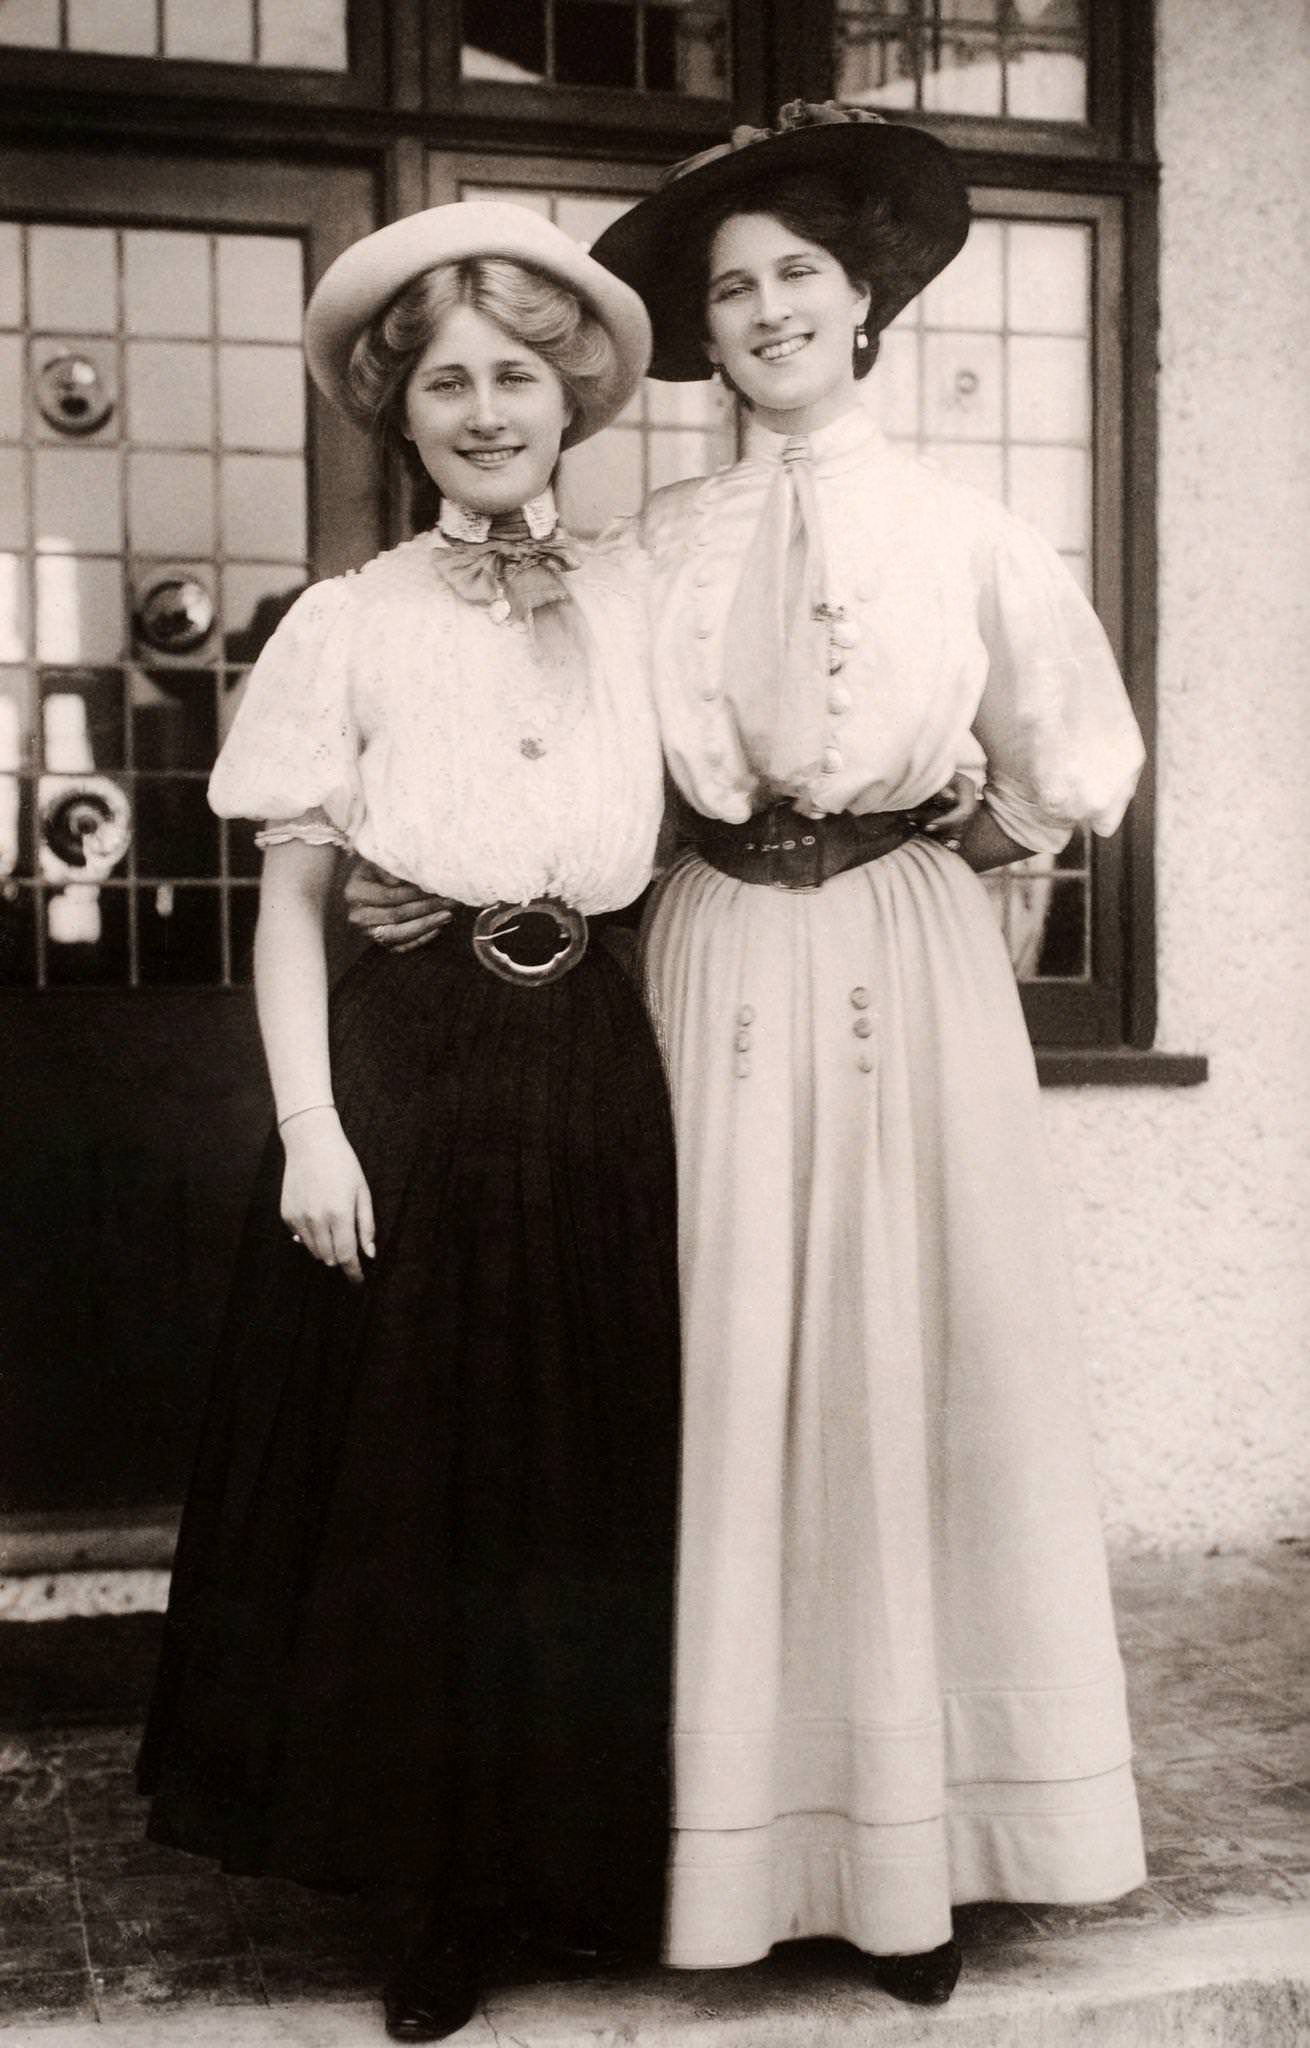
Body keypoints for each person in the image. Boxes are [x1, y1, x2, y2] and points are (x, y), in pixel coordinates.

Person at [350, 102, 1149, 2010]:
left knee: (898, 1362)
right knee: (707, 1366)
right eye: (731, 288)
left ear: (861, 302)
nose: (770, 307)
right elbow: (545, 741)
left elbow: (1079, 759)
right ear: (697, 335)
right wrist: (422, 878)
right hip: (701, 959)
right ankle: (703, 1835)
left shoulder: (972, 530)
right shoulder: (651, 548)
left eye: (799, 274)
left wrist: (970, 846)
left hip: (901, 958)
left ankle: (913, 1857)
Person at [136, 202, 680, 2045]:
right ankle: (442, 1888)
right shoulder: (343, 626)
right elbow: (293, 898)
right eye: (443, 377)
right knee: (433, 1475)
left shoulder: (643, 593)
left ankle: (576, 1855)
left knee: (587, 1465)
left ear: (571, 393)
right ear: (399, 407)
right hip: (414, 1069)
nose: (482, 405)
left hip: (602, 1050)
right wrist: (310, 1127)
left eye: (516, 372)